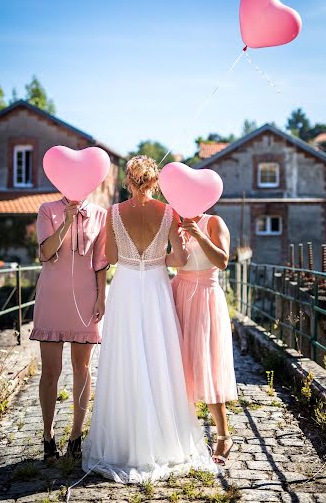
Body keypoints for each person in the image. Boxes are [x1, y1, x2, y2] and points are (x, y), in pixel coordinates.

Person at [82, 156, 216, 482]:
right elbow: (180, 258)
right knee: (159, 354)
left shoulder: (114, 213)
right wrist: (165, 254)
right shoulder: (168, 212)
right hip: (156, 284)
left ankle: (126, 441)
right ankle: (163, 437)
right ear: (155, 181)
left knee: (126, 356)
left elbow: (111, 258)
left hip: (126, 287)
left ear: (129, 180)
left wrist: (134, 255)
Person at [30, 196, 108, 461]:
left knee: (82, 368)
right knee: (50, 371)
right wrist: (65, 223)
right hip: (52, 296)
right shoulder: (47, 210)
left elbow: (100, 261)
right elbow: (45, 253)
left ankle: (76, 435)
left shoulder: (100, 213)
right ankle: (47, 435)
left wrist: (101, 298)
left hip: (86, 298)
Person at [168, 213, 238, 466]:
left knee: (206, 365)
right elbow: (176, 259)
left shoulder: (214, 222)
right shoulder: (174, 221)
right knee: (177, 364)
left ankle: (223, 435)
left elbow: (223, 261)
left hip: (205, 297)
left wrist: (198, 233)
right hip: (178, 292)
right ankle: (183, 433)